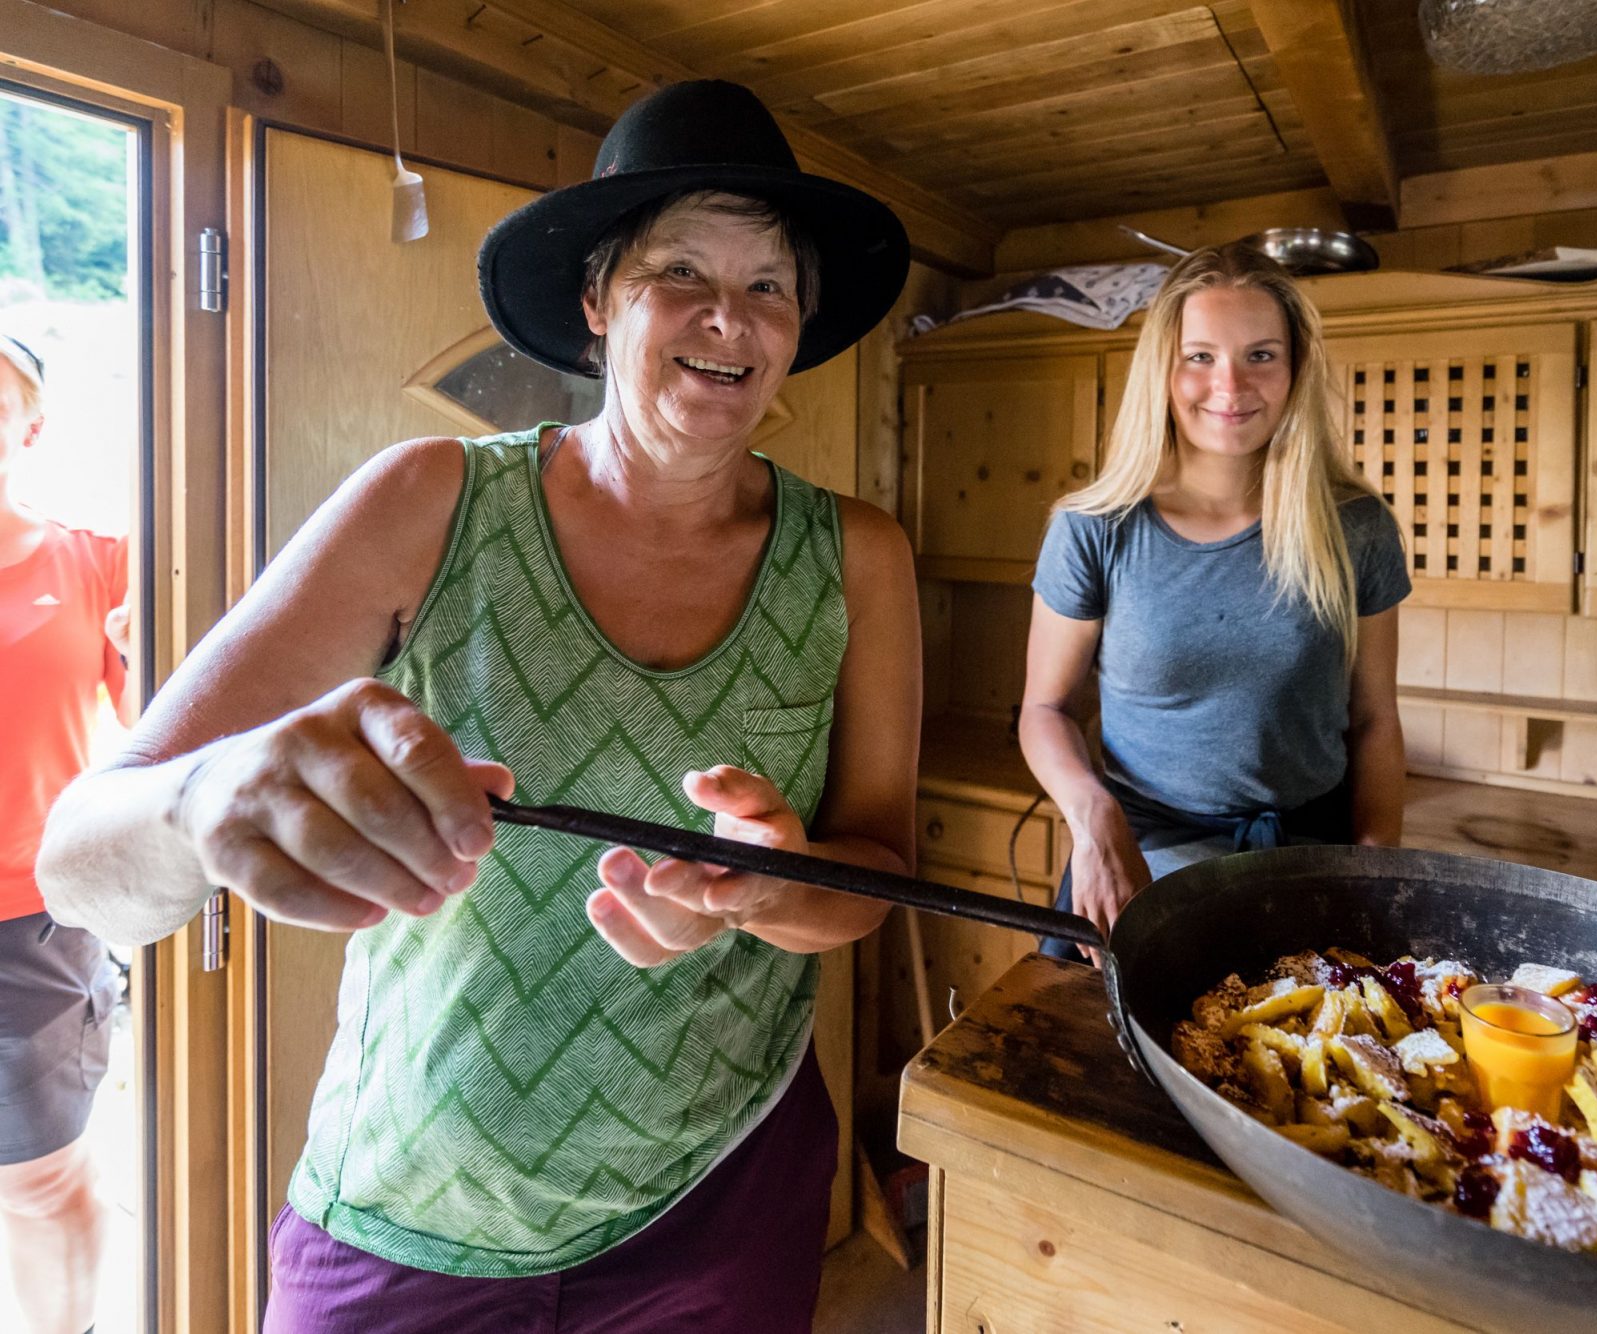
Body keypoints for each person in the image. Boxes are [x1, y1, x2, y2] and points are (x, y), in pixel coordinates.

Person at [36, 80, 920, 1333]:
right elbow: (80, 863)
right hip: (416, 1199)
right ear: (598, 301)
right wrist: (202, 797)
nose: (731, 316)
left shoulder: (859, 556)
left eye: (770, 283)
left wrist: (768, 889)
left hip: (722, 1192)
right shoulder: (431, 500)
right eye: (681, 270)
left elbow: (883, 873)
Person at [1020, 243, 1409, 962]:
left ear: (1295, 371)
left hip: (1307, 860)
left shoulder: (1357, 528)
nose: (1229, 385)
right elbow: (1045, 711)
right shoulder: (1094, 528)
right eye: (1199, 356)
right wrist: (1093, 818)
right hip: (1139, 855)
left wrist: (1377, 868)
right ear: (1162, 373)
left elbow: (1375, 719)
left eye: (1260, 355)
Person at [0, 332, 136, 1334]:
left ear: (29, 427)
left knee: (38, 1183)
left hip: (31, 924)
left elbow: (173, 727)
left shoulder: (96, 562)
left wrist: (158, 651)